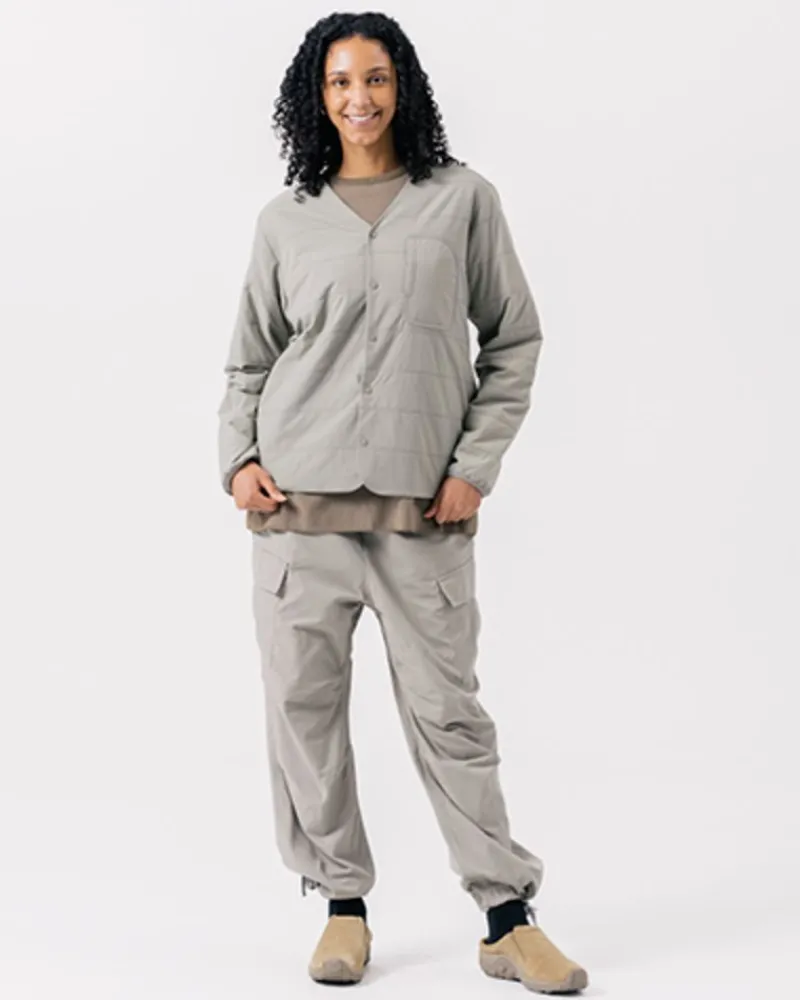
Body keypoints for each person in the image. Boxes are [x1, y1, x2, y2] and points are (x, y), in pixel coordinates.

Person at [217, 10, 588, 994]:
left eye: (374, 79)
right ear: (316, 97)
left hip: (424, 515)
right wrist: (236, 459)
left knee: (449, 716)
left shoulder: (461, 200)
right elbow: (250, 358)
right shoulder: (286, 219)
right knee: (304, 714)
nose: (359, 99)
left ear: (403, 87)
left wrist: (475, 464)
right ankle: (341, 906)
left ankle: (506, 919)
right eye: (340, 82)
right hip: (296, 511)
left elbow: (513, 339)